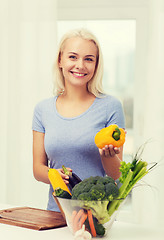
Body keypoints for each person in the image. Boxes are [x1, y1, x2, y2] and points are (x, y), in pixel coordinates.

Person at [32, 28, 125, 212]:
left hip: (97, 216)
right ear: (60, 60)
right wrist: (54, 175)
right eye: (73, 57)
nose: (80, 65)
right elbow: (37, 168)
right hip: (56, 214)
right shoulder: (43, 110)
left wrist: (109, 156)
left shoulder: (110, 107)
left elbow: (116, 174)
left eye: (89, 59)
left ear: (96, 65)